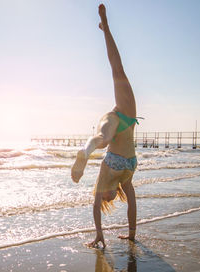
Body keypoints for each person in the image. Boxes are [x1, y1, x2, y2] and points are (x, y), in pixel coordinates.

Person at [71, 3, 138, 248]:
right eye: (106, 198)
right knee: (117, 69)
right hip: (125, 121)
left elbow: (97, 207)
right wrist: (130, 233)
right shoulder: (124, 180)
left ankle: (86, 150)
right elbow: (131, 203)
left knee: (102, 137)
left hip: (120, 124)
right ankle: (86, 150)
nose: (105, 198)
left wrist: (100, 233)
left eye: (105, 199)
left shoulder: (112, 179)